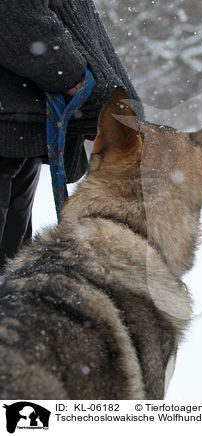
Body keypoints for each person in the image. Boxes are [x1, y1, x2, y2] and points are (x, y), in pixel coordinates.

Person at [0, 0, 142, 269]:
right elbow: (15, 13)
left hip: (19, 129)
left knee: (9, 268)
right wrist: (73, 78)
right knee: (9, 265)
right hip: (12, 125)